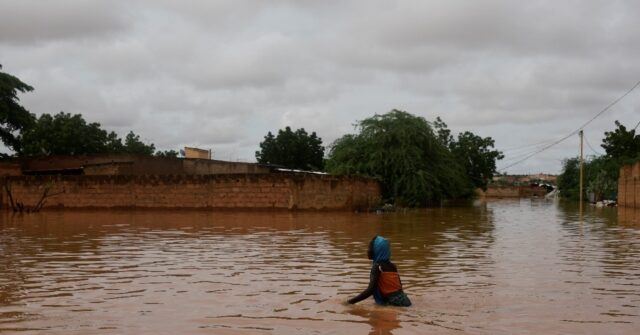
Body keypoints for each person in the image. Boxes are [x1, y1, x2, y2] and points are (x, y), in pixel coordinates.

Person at [347, 235, 411, 306]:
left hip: (393, 303)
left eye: (370, 248)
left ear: (377, 250)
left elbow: (370, 290)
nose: (368, 250)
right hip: (405, 300)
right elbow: (398, 288)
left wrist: (349, 302)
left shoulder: (377, 267)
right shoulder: (393, 266)